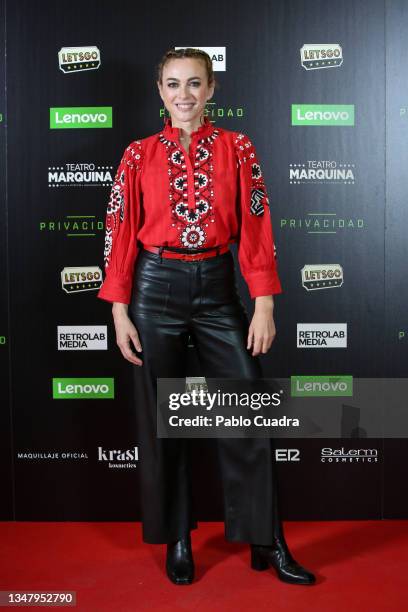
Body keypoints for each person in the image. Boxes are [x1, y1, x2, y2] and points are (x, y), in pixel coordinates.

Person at [97, 48, 316, 586]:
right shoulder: (138, 154)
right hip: (155, 290)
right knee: (162, 422)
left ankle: (268, 539)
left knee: (248, 409)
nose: (184, 95)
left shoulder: (238, 148)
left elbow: (257, 225)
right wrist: (120, 311)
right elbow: (119, 232)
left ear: (211, 89)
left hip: (219, 288)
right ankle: (178, 539)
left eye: (194, 84)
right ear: (160, 91)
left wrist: (263, 302)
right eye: (173, 85)